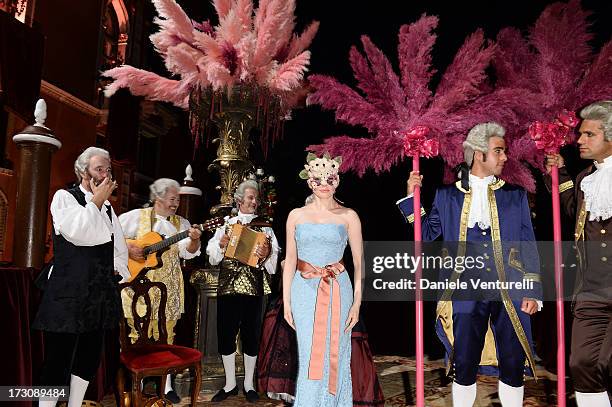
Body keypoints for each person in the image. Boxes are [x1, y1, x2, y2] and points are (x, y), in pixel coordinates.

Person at [398, 123, 542, 407]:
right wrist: (411, 198)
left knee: (513, 362)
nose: (504, 157)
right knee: (464, 362)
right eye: (498, 151)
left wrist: (533, 290)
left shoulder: (516, 195)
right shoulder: (446, 195)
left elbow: (529, 243)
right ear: (478, 154)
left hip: (510, 288)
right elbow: (426, 234)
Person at [33, 146, 129, 407]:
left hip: (98, 295)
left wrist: (117, 272)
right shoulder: (64, 197)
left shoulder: (108, 209)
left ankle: (75, 404)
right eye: (100, 169)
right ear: (82, 171)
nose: (106, 174)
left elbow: (117, 248)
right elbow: (80, 232)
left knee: (88, 357)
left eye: (108, 169)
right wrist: (97, 200)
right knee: (58, 360)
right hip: (68, 293)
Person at [545, 101, 612, 407]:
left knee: (607, 365)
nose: (580, 141)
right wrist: (558, 172)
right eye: (580, 134)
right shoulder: (586, 178)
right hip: (591, 291)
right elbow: (573, 208)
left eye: (589, 135)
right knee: (581, 364)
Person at [282, 153, 362, 406]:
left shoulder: (349, 215)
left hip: (339, 287)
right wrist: (286, 303)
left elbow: (360, 264)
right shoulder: (295, 215)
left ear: (337, 180)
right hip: (303, 290)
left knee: (336, 351)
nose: (324, 184)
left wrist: (358, 303)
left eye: (330, 178)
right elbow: (290, 262)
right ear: (309, 181)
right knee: (309, 353)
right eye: (318, 179)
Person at [118, 178, 202, 403]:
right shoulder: (136, 217)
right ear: (158, 197)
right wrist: (129, 247)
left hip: (169, 288)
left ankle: (166, 387)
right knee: (138, 336)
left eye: (178, 199)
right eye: (173, 199)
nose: (176, 203)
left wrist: (194, 240)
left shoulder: (181, 223)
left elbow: (190, 252)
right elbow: (113, 235)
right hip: (138, 288)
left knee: (167, 335)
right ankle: (140, 384)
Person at [206, 179, 279, 403]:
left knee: (251, 335)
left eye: (256, 198)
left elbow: (273, 264)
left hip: (255, 290)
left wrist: (267, 252)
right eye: (250, 197)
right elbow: (212, 257)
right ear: (239, 200)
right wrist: (220, 245)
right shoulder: (224, 225)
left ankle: (248, 384)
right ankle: (229, 384)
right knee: (226, 334)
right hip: (228, 287)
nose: (254, 201)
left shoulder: (265, 227)